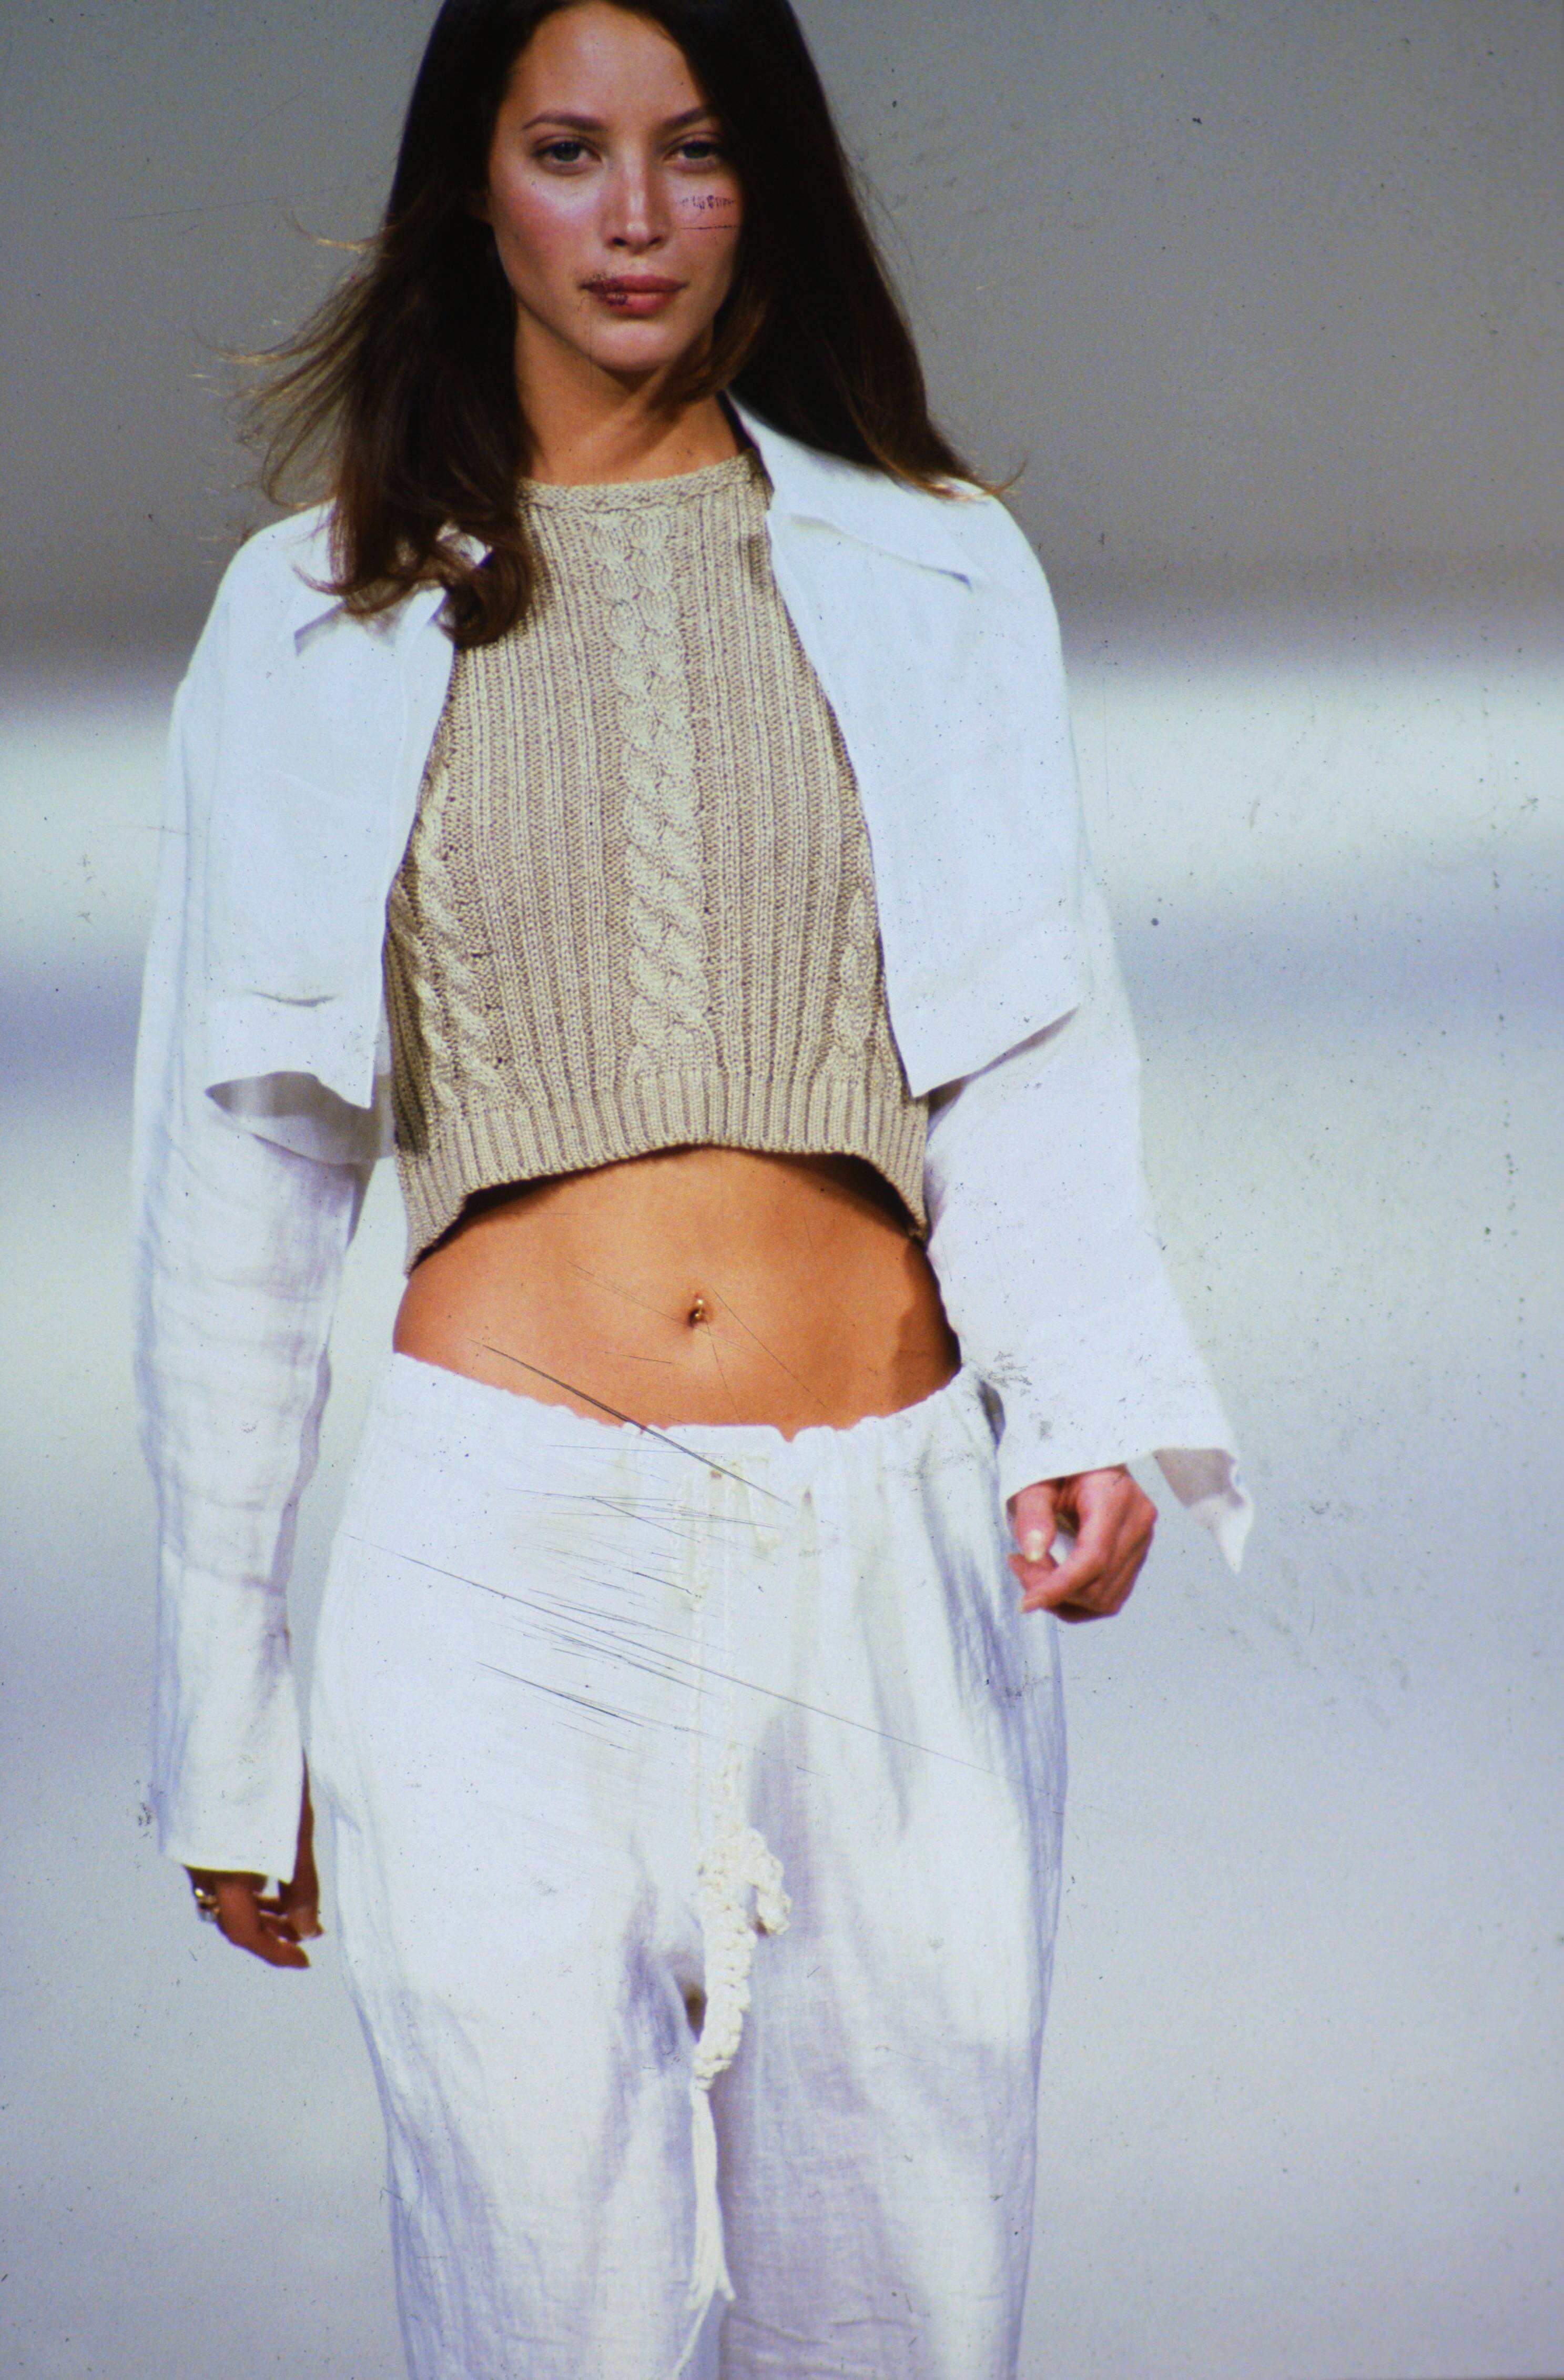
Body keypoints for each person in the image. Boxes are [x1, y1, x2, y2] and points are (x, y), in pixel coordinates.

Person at [131, 2, 1251, 2373]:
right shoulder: (312, 621)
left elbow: (1033, 1037)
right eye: (570, 152)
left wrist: (1079, 1399)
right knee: (545, 2327)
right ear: (473, 185)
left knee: (904, 2326)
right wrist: (232, 1703)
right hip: (496, 1567)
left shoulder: (940, 573)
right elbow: (234, 1183)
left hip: (883, 1570)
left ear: (771, 188)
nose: (635, 219)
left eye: (699, 152)